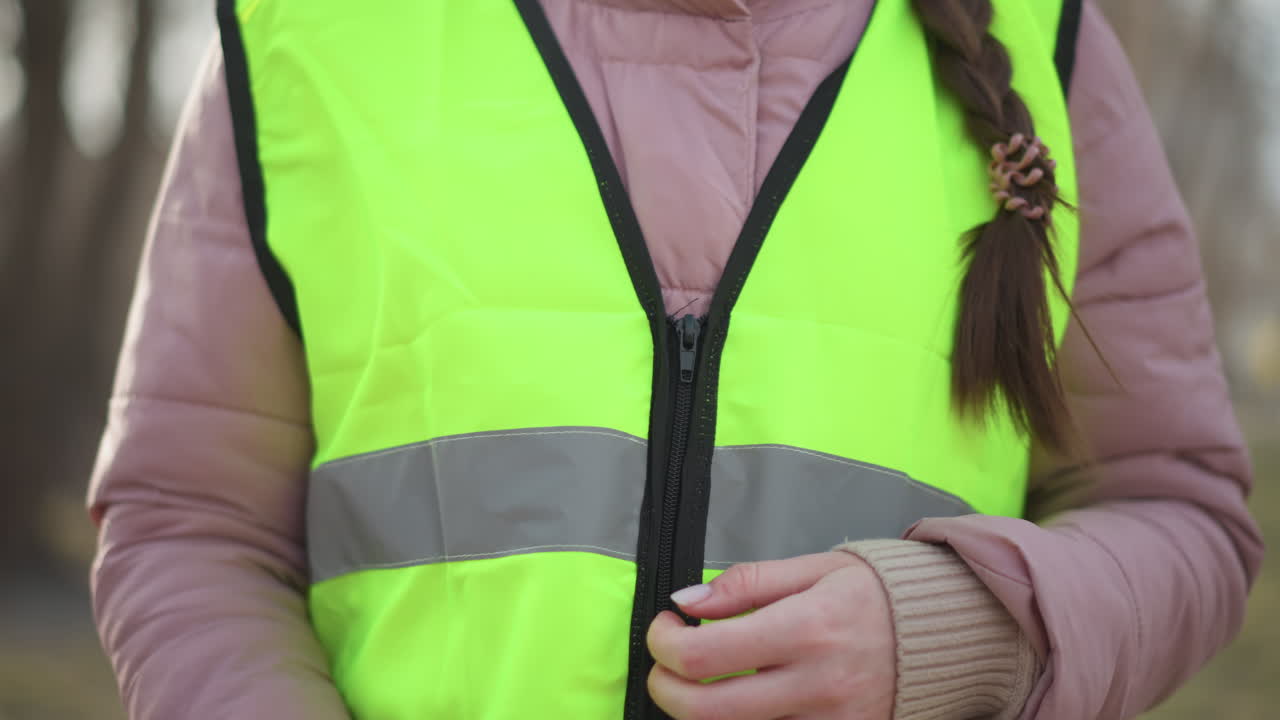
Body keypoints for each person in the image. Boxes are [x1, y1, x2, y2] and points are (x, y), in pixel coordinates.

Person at [88, 0, 1263, 718]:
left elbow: (1177, 512)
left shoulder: (1041, 44)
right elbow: (190, 525)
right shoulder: (310, 30)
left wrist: (958, 627)